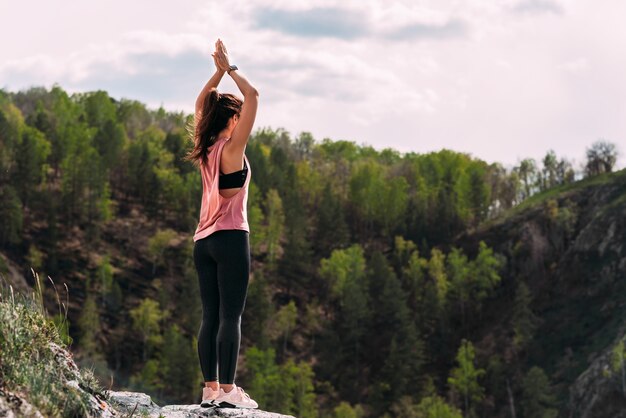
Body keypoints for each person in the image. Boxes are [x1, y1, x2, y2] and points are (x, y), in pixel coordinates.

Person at [183, 38, 259, 409]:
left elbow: (201, 104)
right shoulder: (231, 148)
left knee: (210, 314)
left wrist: (215, 73)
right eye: (237, 115)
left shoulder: (206, 146)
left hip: (203, 242)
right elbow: (255, 96)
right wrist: (230, 69)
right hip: (230, 239)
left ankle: (210, 389)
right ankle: (229, 392)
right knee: (232, 314)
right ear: (232, 119)